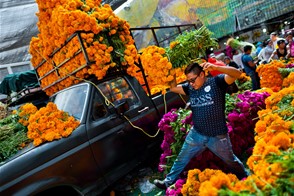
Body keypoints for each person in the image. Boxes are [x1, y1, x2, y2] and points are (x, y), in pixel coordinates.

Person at [153, 62, 248, 190]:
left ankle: (245, 177)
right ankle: (167, 182)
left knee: (231, 161)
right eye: (189, 80)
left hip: (217, 135)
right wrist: (172, 73)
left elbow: (237, 73)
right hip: (197, 133)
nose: (191, 83)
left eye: (193, 80)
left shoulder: (217, 82)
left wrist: (217, 68)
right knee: (181, 158)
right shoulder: (190, 88)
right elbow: (173, 88)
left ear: (202, 74)